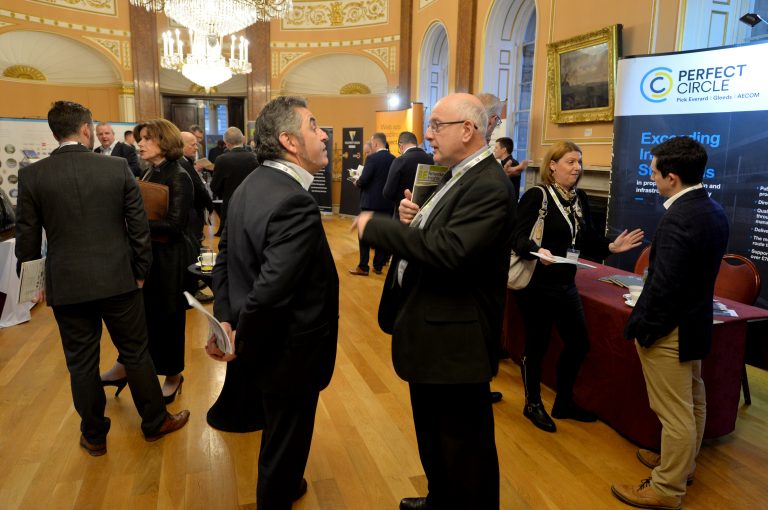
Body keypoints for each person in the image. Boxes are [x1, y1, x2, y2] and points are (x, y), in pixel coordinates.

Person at [354, 93, 515, 510]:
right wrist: (416, 217)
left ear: (467, 130)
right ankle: (441, 497)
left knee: (463, 447)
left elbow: (452, 251)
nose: (428, 133)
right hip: (434, 331)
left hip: (456, 341)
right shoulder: (456, 173)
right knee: (436, 435)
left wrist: (381, 227)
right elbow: (441, 233)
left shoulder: (489, 184)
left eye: (437, 125)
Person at [15, 101, 189, 456]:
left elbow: (27, 242)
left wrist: (35, 288)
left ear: (54, 133)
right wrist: (141, 272)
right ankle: (155, 422)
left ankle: (94, 435)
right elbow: (138, 227)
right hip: (119, 280)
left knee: (81, 363)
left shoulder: (33, 175)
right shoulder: (116, 168)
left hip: (66, 284)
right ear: (86, 129)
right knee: (137, 353)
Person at [206, 96, 339, 509]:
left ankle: (284, 484)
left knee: (279, 429)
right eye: (314, 126)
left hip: (262, 344)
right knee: (287, 438)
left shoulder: (252, 182)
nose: (323, 135)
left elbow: (224, 258)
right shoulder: (294, 200)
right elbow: (271, 290)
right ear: (289, 141)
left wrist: (226, 321)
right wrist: (238, 336)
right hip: (289, 349)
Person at [612, 137, 729, 510]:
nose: (652, 177)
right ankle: (682, 467)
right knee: (693, 399)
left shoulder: (679, 217)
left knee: (674, 412)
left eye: (653, 172)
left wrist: (643, 329)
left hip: (670, 330)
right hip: (695, 322)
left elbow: (664, 287)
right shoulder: (712, 209)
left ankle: (666, 487)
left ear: (672, 177)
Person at [511, 141, 643, 433]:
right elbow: (516, 237)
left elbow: (587, 240)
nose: (577, 168)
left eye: (579, 162)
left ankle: (564, 402)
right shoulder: (537, 195)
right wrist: (536, 250)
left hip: (565, 284)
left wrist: (612, 245)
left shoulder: (579, 198)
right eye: (570, 161)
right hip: (537, 286)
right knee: (537, 346)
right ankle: (532, 403)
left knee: (579, 343)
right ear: (553, 166)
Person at [101, 119, 196, 404]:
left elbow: (175, 226)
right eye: (140, 139)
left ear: (163, 142)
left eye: (146, 139)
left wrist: (132, 224)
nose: (139, 144)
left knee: (167, 319)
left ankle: (173, 376)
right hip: (151, 256)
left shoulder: (178, 176)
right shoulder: (152, 171)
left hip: (170, 260)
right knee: (144, 318)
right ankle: (124, 366)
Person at [349, 132, 395, 276]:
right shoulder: (394, 159)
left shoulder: (372, 158)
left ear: (375, 144)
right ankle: (378, 266)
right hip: (387, 204)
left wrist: (357, 181)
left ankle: (363, 267)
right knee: (382, 235)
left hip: (370, 203)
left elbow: (364, 180)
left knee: (364, 234)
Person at [210, 127, 258, 235]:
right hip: (252, 206)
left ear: (226, 143)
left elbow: (214, 186)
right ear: (243, 140)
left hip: (230, 206)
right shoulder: (255, 158)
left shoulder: (222, 159)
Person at [383, 131, 434, 221]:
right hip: (426, 215)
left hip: (403, 215)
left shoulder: (399, 161)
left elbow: (388, 192)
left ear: (401, 146)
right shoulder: (431, 159)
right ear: (416, 144)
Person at [179, 131, 214, 243]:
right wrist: (210, 205)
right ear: (181, 145)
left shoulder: (184, 161)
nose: (196, 148)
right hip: (191, 214)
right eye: (192, 145)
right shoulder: (183, 163)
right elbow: (199, 188)